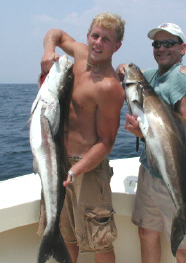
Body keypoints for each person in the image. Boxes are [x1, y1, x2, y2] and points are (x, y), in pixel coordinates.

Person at [37, 12, 126, 263]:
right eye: (95, 36)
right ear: (88, 36)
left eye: (106, 40)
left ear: (116, 46)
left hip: (87, 168)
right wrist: (48, 50)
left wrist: (75, 171)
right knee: (66, 236)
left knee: (99, 242)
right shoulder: (78, 53)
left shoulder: (109, 86)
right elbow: (55, 32)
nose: (98, 43)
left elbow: (107, 142)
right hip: (58, 160)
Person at [117, 23, 186, 263]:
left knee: (182, 249)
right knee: (146, 232)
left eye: (169, 43)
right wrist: (125, 69)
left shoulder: (182, 81)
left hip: (179, 177)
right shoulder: (153, 77)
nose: (162, 48)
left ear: (183, 48)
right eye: (157, 44)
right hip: (151, 172)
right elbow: (127, 71)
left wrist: (142, 134)